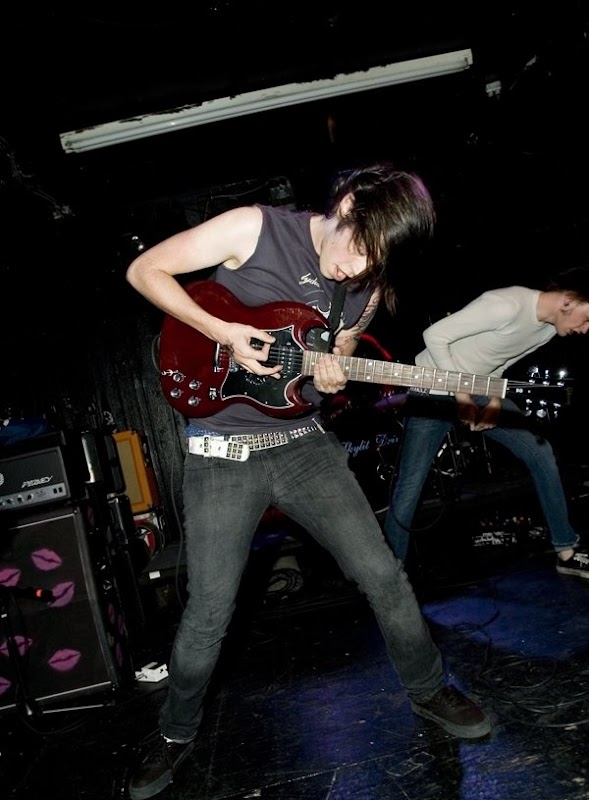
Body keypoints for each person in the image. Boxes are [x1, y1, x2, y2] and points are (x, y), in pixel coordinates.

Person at [125, 163, 491, 799]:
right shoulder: (253, 228)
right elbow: (144, 270)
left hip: (303, 446)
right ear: (346, 206)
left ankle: (430, 690)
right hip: (221, 453)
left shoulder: (365, 283)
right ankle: (175, 734)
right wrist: (223, 331)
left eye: (373, 263)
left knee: (383, 576)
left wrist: (336, 363)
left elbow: (343, 338)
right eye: (358, 251)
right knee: (209, 613)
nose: (355, 271)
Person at [384, 267, 589, 575]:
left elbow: (500, 362)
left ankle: (566, 549)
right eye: (586, 319)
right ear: (568, 300)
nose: (585, 330)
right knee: (411, 484)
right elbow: (434, 336)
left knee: (540, 453)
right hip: (433, 386)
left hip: (478, 387)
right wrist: (462, 395)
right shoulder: (507, 305)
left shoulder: (547, 330)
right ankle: (390, 575)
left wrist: (493, 400)